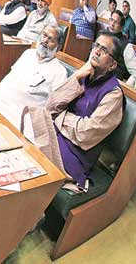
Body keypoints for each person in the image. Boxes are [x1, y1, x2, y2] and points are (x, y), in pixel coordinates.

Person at [23, 32, 124, 192]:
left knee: (29, 155)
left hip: (75, 155)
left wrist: (59, 116)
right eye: (96, 45)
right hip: (58, 135)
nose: (96, 51)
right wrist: (76, 77)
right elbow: (51, 105)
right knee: (26, 120)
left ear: (112, 65)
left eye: (104, 50)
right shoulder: (85, 75)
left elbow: (85, 134)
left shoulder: (113, 94)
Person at [0, 25, 67, 128]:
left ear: (58, 47)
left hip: (19, 114)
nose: (44, 40)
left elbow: (54, 108)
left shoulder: (59, 72)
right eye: (44, 35)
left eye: (50, 39)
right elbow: (9, 80)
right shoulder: (28, 54)